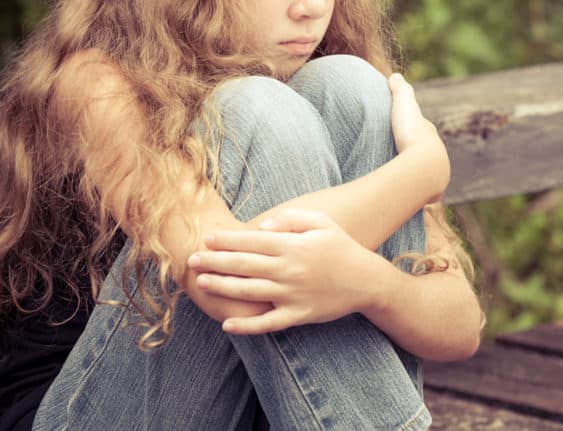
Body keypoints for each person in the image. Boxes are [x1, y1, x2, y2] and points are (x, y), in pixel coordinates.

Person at [0, 0, 484, 430]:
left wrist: (371, 284)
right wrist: (421, 170)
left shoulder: (334, 84)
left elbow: (460, 329)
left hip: (265, 409)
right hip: (88, 412)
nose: (310, 8)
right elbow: (237, 293)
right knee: (258, 107)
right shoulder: (96, 81)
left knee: (353, 86)